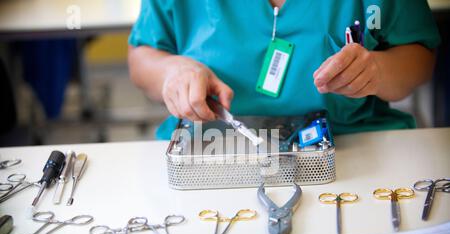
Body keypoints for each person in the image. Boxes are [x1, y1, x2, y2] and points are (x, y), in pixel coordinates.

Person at [128, 0, 440, 140]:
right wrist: (172, 72)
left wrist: (378, 71)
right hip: (209, 151)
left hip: (353, 146)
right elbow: (141, 57)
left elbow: (420, 57)